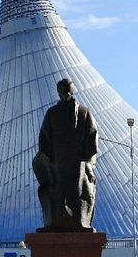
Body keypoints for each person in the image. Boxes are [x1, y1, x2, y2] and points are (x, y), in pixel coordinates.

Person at [32, 78, 98, 231]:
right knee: (71, 192)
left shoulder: (58, 112)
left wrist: (85, 159)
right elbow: (92, 138)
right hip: (68, 162)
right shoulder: (81, 111)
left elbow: (44, 138)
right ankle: (70, 221)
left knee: (70, 191)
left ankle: (75, 222)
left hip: (65, 162)